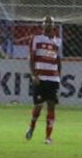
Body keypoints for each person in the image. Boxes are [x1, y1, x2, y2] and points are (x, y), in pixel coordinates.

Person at [26, 15, 61, 145]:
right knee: (38, 107)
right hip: (40, 78)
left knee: (51, 106)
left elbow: (58, 60)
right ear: (42, 25)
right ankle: (32, 126)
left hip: (53, 78)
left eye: (50, 22)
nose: (47, 24)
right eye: (45, 22)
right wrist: (33, 75)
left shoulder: (58, 41)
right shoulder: (36, 39)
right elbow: (31, 58)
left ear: (53, 25)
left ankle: (48, 137)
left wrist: (59, 77)